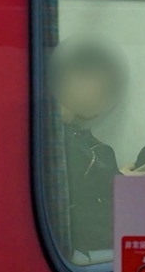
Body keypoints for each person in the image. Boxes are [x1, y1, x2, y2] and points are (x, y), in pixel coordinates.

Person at [51, 38, 128, 257]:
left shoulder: (80, 135)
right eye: (100, 90)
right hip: (88, 247)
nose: (104, 101)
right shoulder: (55, 139)